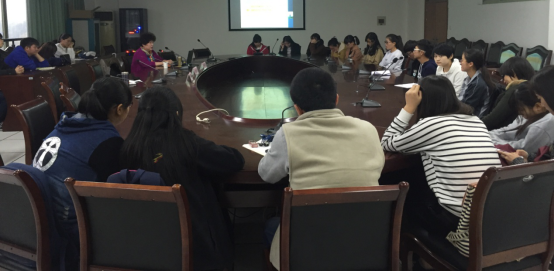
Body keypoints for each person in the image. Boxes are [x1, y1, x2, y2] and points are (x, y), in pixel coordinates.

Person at [259, 67, 384, 269]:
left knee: (270, 226)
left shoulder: (288, 133)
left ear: (297, 108)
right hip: (364, 242)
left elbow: (267, 175)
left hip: (309, 246)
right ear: (336, 99)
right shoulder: (368, 130)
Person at [119, 87, 244, 271]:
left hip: (148, 242)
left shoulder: (128, 148)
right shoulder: (186, 144)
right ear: (176, 114)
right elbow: (234, 161)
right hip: (197, 246)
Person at [381, 77, 501, 237]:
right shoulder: (475, 120)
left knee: (403, 190)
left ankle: (403, 244)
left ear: (422, 100)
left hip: (459, 222)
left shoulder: (432, 124)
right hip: (491, 215)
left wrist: (409, 107)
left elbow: (386, 142)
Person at [32, 77, 132, 268]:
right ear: (119, 109)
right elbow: (118, 196)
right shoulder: (108, 143)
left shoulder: (64, 124)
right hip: (70, 232)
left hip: (37, 219)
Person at [498, 66, 554, 165]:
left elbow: (549, 171)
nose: (542, 103)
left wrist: (517, 161)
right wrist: (530, 157)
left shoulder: (546, 123)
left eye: (540, 98)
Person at [488, 83, 554, 154]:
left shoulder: (544, 125)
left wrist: (494, 141)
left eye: (522, 110)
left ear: (538, 106)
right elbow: (507, 130)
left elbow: (524, 149)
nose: (519, 113)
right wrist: (488, 135)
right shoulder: (529, 115)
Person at [482, 57, 535, 130]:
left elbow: (492, 119)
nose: (503, 80)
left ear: (514, 73)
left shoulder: (515, 90)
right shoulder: (530, 88)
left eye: (504, 76)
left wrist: (473, 124)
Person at [459, 49, 496, 117]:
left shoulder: (477, 84)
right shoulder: (468, 79)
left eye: (462, 60)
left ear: (470, 64)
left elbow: (466, 108)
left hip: (475, 119)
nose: (460, 62)